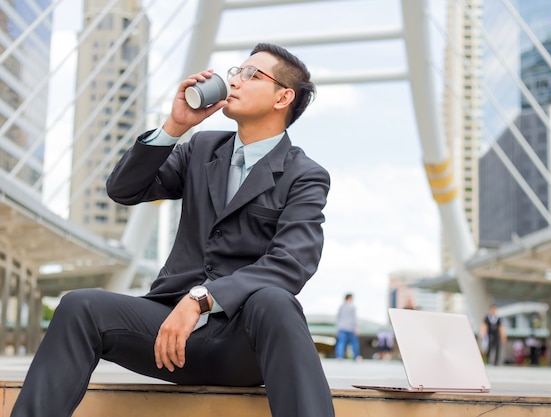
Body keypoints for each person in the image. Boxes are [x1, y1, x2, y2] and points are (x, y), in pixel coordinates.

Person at [11, 43, 335, 417]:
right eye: (236, 71)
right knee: (79, 305)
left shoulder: (304, 175)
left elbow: (291, 262)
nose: (235, 80)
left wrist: (202, 297)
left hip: (242, 344)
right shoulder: (201, 148)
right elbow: (124, 190)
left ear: (284, 97)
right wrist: (175, 127)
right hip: (167, 335)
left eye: (251, 74)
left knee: (275, 301)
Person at [335, 293, 361, 361]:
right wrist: (356, 328)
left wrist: (338, 327)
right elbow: (354, 318)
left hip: (342, 327)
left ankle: (340, 357)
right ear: (350, 298)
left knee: (341, 342)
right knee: (354, 343)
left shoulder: (341, 306)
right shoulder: (353, 307)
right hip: (351, 327)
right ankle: (356, 357)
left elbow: (338, 317)